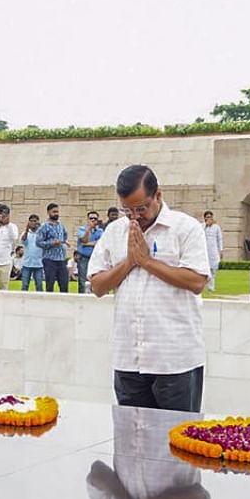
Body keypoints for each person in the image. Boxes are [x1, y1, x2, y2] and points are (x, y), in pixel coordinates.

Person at [89, 164, 209, 412]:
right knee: (131, 442)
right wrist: (130, 262)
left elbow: (197, 281)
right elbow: (98, 285)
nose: (135, 216)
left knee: (177, 442)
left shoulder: (185, 228)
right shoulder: (114, 232)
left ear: (158, 195)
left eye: (141, 208)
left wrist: (147, 262)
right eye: (128, 210)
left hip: (174, 361)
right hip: (128, 359)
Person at [37, 202, 69, 292]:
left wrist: (63, 242)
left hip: (61, 259)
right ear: (48, 212)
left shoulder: (61, 225)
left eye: (57, 212)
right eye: (54, 212)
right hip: (49, 260)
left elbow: (65, 236)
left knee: (64, 284)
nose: (56, 214)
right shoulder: (44, 227)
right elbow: (38, 242)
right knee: (50, 285)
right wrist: (51, 243)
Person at [75, 210, 103, 293]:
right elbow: (84, 240)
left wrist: (87, 244)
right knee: (82, 281)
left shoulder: (100, 231)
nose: (93, 220)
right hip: (83, 258)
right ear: (87, 220)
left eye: (95, 218)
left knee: (96, 280)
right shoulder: (81, 229)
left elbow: (100, 244)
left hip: (95, 259)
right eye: (91, 218)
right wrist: (89, 229)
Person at [19, 214, 44, 291]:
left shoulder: (41, 234)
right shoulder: (25, 233)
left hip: (38, 264)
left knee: (39, 285)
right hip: (27, 264)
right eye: (31, 221)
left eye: (35, 221)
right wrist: (27, 229)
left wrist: (40, 229)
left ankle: (39, 301)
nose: (33, 223)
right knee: (25, 285)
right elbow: (23, 240)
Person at [202, 211, 222, 293]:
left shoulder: (216, 227)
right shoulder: (202, 226)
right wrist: (206, 225)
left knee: (213, 270)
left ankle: (211, 288)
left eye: (211, 217)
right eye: (208, 217)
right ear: (205, 218)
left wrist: (221, 250)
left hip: (213, 251)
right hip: (204, 251)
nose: (209, 218)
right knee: (205, 270)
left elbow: (219, 239)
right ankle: (204, 286)